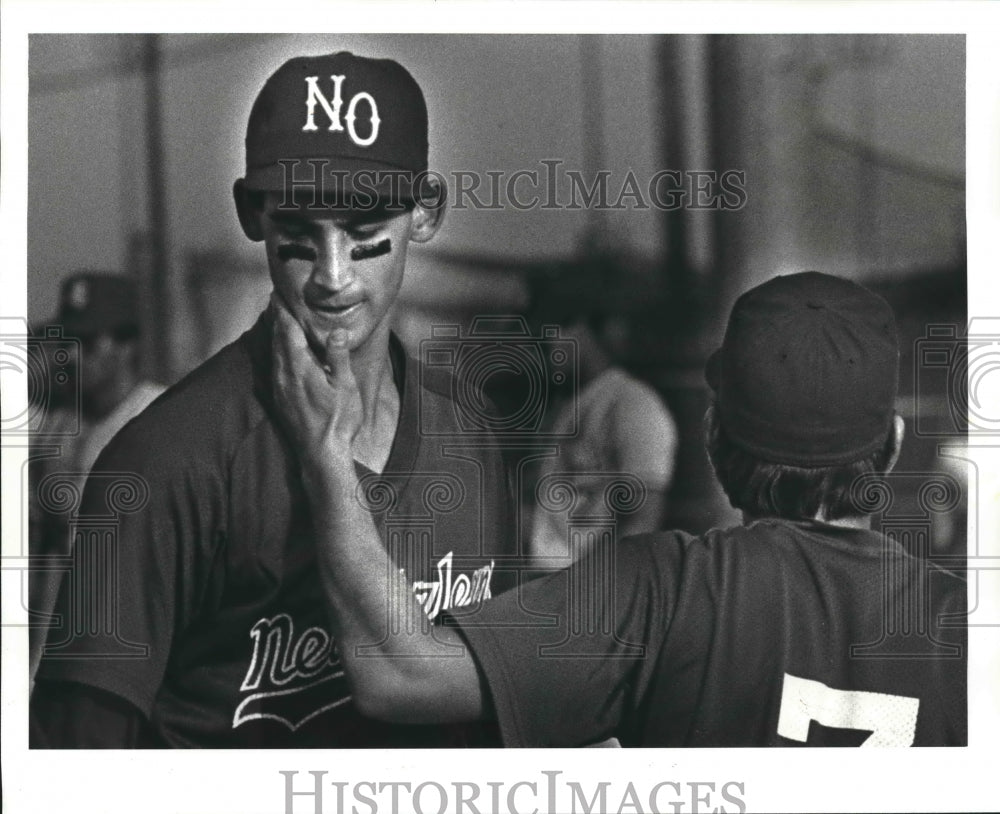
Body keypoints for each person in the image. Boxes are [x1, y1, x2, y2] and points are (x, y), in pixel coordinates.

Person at [31, 51, 516, 747]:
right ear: (251, 213)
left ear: (427, 209)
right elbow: (77, 762)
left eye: (362, 229)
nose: (332, 276)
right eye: (298, 234)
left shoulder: (472, 440)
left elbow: (494, 721)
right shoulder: (161, 461)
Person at [284, 270, 967, 747]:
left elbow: (396, 673)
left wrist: (326, 457)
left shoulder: (664, 591)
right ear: (894, 447)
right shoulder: (965, 627)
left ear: (713, 437)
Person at [28, 272, 165, 681]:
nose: (70, 355)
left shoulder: (163, 419)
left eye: (87, 343)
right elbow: (53, 549)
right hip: (70, 647)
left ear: (127, 345)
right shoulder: (58, 426)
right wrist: (38, 657)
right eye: (67, 342)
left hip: (136, 648)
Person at [526, 269, 677, 564]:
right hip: (545, 581)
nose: (543, 350)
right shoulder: (564, 408)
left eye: (551, 334)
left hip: (590, 590)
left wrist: (598, 592)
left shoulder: (632, 404)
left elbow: (643, 520)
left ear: (582, 328)